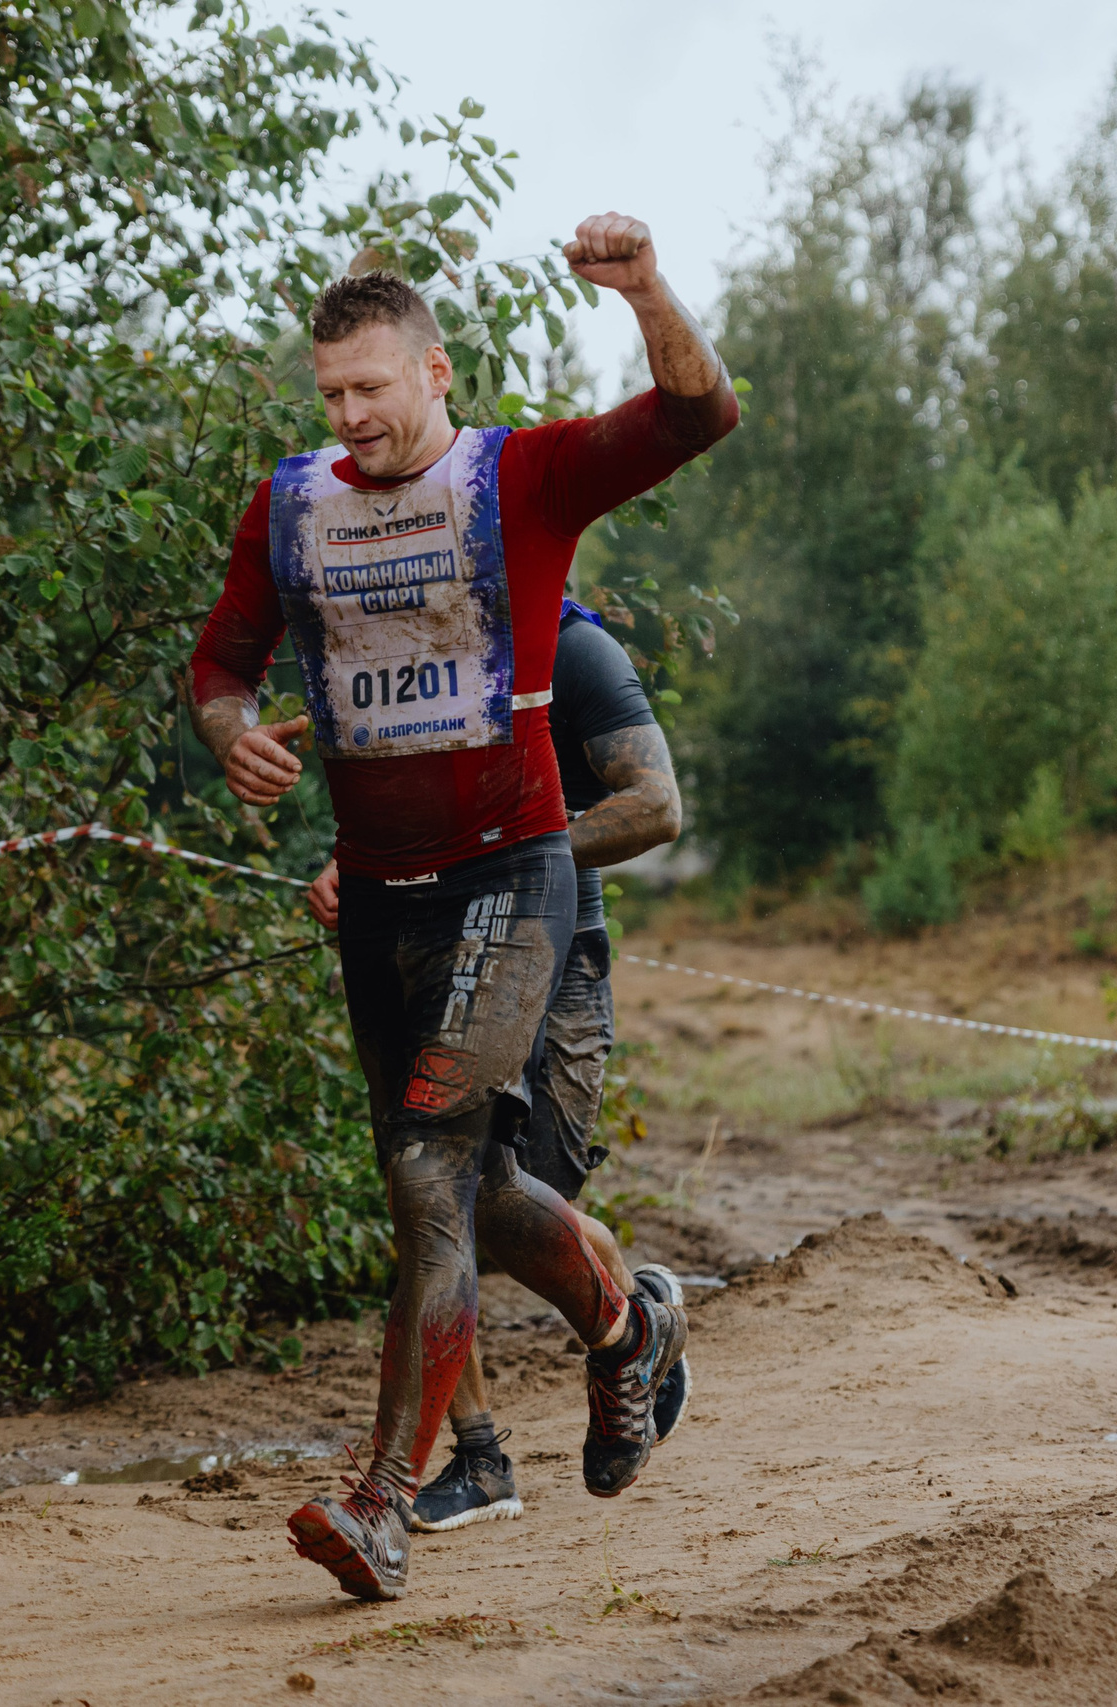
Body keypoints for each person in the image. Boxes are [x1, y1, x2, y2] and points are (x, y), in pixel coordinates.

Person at [189, 213, 736, 1601]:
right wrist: (234, 731)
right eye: (332, 395)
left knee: (428, 1175)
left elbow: (699, 410)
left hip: (516, 875)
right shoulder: (291, 505)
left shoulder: (525, 478)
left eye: (375, 386)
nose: (353, 416)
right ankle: (626, 1325)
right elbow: (221, 660)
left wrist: (648, 291)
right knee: (474, 1194)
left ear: (437, 371)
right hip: (379, 899)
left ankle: (384, 1500)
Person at [304, 597, 692, 1534]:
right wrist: (350, 867)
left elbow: (656, 805)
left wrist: (507, 859)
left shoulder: (574, 646)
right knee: (434, 1196)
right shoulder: (419, 654)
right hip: (434, 958)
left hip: (556, 965)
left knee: (506, 1202)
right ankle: (480, 1463)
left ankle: (634, 1330)